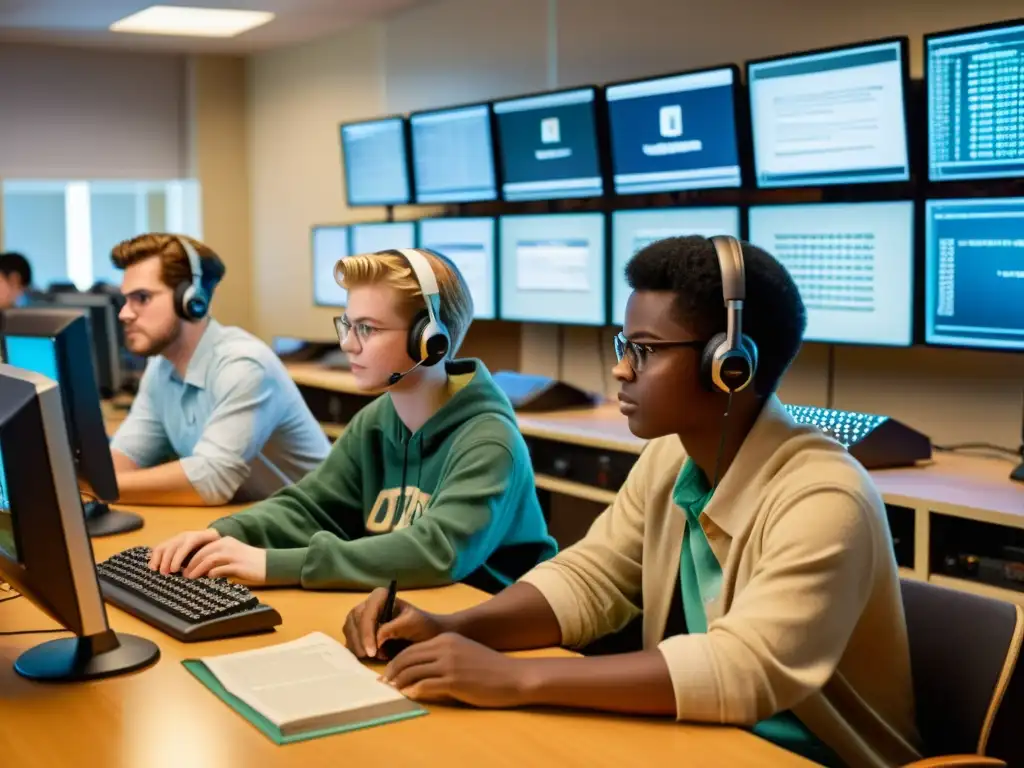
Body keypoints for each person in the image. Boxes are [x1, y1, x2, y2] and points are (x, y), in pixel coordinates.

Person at [342, 236, 922, 768]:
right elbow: (590, 580)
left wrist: (516, 679)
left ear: (729, 365)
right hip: (707, 736)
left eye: (644, 350)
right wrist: (451, 629)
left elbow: (741, 670)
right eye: (624, 345)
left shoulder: (824, 496)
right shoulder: (673, 460)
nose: (620, 368)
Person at [148, 247, 557, 594]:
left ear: (430, 342)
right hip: (408, 608)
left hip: (487, 628)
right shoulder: (378, 420)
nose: (347, 344)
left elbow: (436, 553)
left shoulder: (488, 440)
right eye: (348, 325)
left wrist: (274, 565)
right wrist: (225, 535)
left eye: (367, 329)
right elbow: (311, 507)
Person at [107, 233, 330, 506]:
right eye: (126, 300)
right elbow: (125, 458)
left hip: (315, 530)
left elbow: (210, 481)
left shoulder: (244, 365)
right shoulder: (161, 370)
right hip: (252, 519)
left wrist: (101, 487)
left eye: (142, 298)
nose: (125, 314)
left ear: (191, 300)